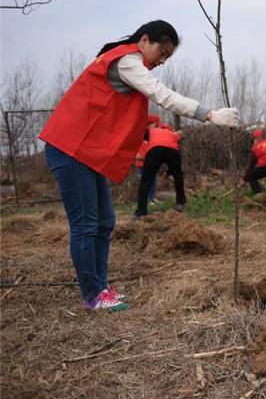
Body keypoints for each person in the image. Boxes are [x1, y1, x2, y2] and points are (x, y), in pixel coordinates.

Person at [39, 20, 239, 311]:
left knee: (105, 221)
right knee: (86, 224)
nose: (162, 60)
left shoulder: (126, 61)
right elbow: (162, 95)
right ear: (144, 40)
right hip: (69, 149)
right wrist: (210, 114)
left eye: (168, 57)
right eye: (162, 51)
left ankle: (101, 287)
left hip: (84, 152)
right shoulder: (127, 62)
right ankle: (92, 295)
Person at [134, 122, 185, 218]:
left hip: (155, 150)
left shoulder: (150, 130)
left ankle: (141, 212)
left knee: (146, 181)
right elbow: (174, 144)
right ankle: (180, 203)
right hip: (173, 150)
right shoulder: (170, 133)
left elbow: (139, 137)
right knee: (178, 176)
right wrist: (169, 172)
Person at [134, 114, 162, 204]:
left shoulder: (153, 134)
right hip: (142, 162)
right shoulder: (140, 133)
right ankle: (146, 199)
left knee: (153, 180)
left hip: (150, 161)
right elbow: (135, 147)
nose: (156, 126)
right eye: (155, 124)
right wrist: (137, 154)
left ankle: (152, 197)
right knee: (147, 180)